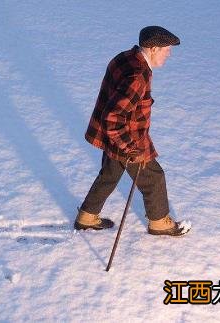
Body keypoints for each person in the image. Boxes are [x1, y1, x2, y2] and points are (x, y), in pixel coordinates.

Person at [75, 26, 190, 236]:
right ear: (153, 48)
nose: (169, 53)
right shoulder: (138, 75)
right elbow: (113, 117)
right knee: (154, 178)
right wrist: (129, 147)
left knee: (110, 174)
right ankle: (159, 223)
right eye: (166, 49)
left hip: (113, 137)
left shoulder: (126, 58)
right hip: (126, 140)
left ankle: (87, 216)